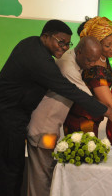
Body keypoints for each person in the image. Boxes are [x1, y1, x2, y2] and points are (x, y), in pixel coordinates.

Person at [0, 20, 112, 196]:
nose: (63, 47)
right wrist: (110, 111)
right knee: (16, 174)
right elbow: (75, 92)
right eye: (60, 42)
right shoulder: (50, 63)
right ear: (46, 37)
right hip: (14, 122)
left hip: (14, 118)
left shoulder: (34, 45)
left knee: (7, 170)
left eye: (67, 43)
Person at [26, 36, 101, 196]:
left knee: (48, 175)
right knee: (41, 179)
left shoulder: (75, 60)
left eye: (96, 60)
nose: (93, 64)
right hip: (43, 129)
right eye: (90, 60)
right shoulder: (68, 67)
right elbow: (87, 99)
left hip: (50, 128)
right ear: (79, 51)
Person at [64, 16, 112, 136]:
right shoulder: (95, 68)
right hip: (83, 119)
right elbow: (109, 103)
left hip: (94, 116)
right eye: (108, 45)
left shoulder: (104, 58)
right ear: (96, 46)